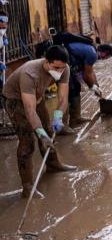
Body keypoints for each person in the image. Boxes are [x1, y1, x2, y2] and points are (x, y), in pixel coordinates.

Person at [2, 45, 76, 198]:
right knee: (27, 141)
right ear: (46, 62)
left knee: (49, 131)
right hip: (15, 100)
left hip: (37, 96)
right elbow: (29, 110)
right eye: (56, 67)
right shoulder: (30, 73)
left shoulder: (64, 68)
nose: (59, 71)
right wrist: (39, 133)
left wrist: (58, 116)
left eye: (62, 68)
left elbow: (63, 98)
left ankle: (53, 164)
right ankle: (27, 186)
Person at [61, 34, 112, 128]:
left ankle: (76, 118)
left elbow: (90, 71)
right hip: (62, 63)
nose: (104, 59)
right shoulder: (92, 54)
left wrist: (97, 86)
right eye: (106, 57)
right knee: (70, 91)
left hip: (68, 62)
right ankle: (63, 125)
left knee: (76, 87)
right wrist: (93, 87)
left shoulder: (92, 50)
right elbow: (86, 75)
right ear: (104, 53)